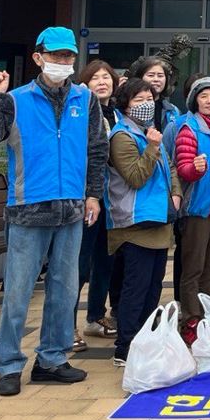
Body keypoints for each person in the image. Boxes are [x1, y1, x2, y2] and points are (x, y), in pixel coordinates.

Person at [0, 27, 105, 397]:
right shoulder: (15, 100)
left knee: (64, 291)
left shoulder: (86, 99)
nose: (62, 62)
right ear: (38, 57)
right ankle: (9, 364)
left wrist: (93, 194)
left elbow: (97, 149)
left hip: (72, 209)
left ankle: (51, 359)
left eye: (68, 56)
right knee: (17, 292)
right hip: (28, 208)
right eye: (56, 55)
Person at [105, 79, 179, 367]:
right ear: (124, 103)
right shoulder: (122, 136)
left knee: (152, 288)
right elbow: (135, 177)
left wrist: (176, 192)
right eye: (138, 99)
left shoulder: (148, 133)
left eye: (150, 97)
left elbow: (169, 166)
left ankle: (145, 341)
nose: (146, 103)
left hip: (158, 221)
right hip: (134, 225)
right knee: (135, 289)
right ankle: (125, 347)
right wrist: (151, 147)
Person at [173, 77, 210, 343]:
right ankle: (191, 320)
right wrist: (194, 169)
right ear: (195, 100)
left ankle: (208, 315)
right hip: (198, 208)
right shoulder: (189, 129)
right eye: (204, 96)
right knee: (193, 268)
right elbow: (182, 168)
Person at [74, 60, 119, 350]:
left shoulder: (117, 113)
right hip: (85, 197)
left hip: (111, 199)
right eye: (95, 78)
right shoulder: (79, 112)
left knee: (106, 260)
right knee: (78, 264)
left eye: (107, 77)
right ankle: (66, 325)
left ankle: (95, 317)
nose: (102, 82)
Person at [129, 56, 180, 132]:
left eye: (160, 76)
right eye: (151, 75)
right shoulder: (131, 108)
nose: (156, 79)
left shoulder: (173, 110)